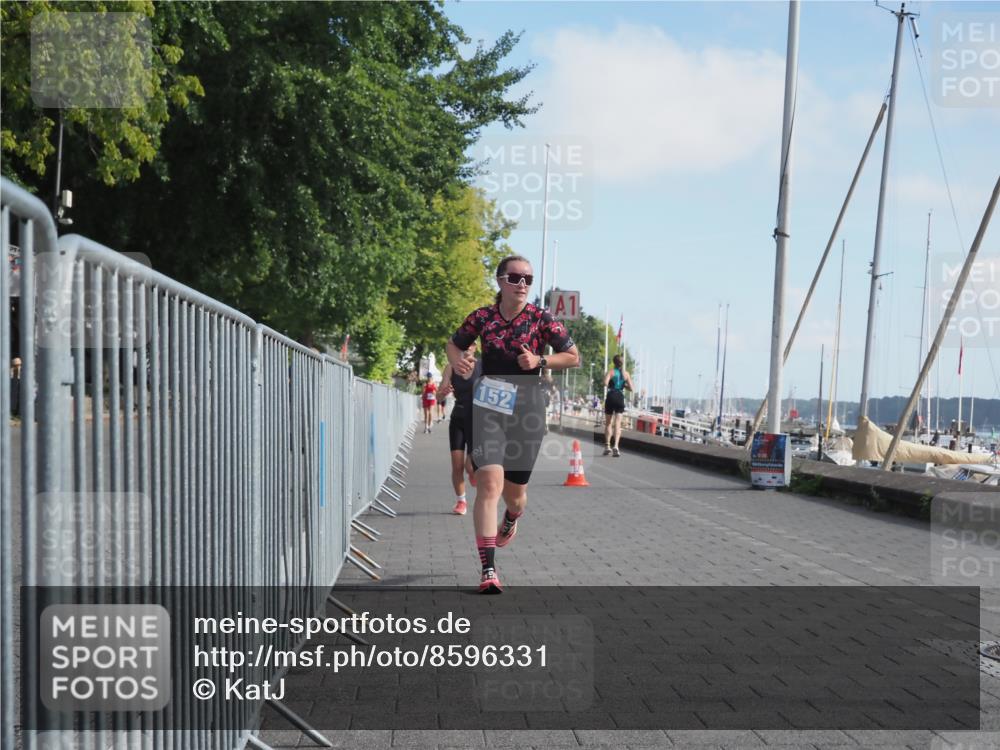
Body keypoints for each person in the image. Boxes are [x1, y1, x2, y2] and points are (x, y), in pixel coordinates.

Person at [446, 254, 580, 594]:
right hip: (490, 404)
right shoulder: (483, 317)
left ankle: (512, 518)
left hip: (528, 408)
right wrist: (460, 362)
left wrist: (540, 359)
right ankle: (488, 569)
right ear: (500, 281)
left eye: (528, 280)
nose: (522, 284)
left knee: (515, 496)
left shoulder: (540, 319)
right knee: (489, 483)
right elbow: (453, 344)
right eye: (515, 277)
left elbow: (573, 355)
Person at [438, 344, 481, 515]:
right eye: (462, 344)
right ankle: (461, 501)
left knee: (470, 467)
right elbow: (439, 396)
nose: (466, 347)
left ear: (475, 347)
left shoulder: (482, 366)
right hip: (458, 418)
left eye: (470, 344)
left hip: (477, 420)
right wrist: (443, 391)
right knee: (457, 467)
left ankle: (472, 473)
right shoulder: (451, 367)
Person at [603, 354, 633, 457]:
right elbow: (632, 388)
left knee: (608, 423)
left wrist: (611, 383)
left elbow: (605, 383)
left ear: (614, 362)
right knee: (618, 423)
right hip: (620, 397)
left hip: (611, 396)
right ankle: (616, 446)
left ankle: (607, 446)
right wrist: (623, 385)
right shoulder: (626, 374)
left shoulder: (611, 372)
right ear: (622, 363)